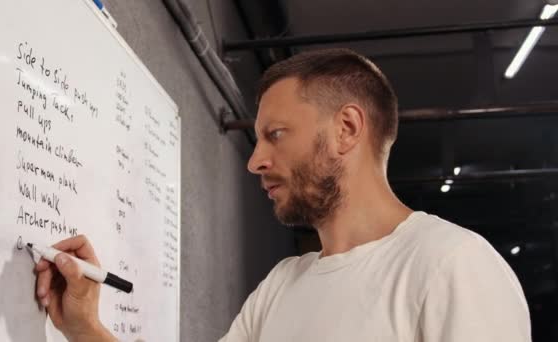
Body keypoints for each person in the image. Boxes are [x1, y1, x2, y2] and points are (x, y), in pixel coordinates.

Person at [35, 48, 531, 341]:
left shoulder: (453, 265)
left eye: (275, 135)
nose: (254, 161)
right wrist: (85, 328)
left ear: (347, 129)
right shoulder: (283, 284)